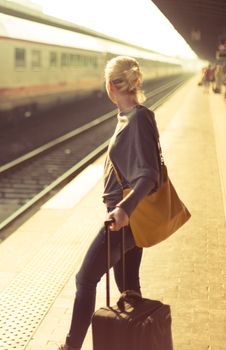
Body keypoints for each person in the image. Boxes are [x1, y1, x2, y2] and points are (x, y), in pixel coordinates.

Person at [58, 56, 163, 350]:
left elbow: (148, 175)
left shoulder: (138, 119)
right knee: (129, 289)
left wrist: (123, 210)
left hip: (125, 219)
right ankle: (142, 341)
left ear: (109, 86)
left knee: (84, 279)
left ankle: (71, 347)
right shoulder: (133, 115)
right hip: (131, 217)